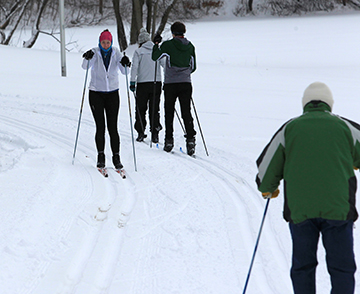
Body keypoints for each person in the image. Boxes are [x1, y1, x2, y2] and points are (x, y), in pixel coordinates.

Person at [255, 82, 360, 294]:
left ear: (305, 104)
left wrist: (268, 189)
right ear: (329, 104)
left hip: (300, 210)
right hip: (338, 209)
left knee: (303, 267)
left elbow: (266, 171)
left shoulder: (289, 129)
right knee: (342, 268)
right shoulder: (345, 127)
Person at [82, 29, 131, 170]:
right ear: (99, 42)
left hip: (112, 94)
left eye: (107, 42)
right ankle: (101, 156)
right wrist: (87, 57)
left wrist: (126, 62)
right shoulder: (95, 52)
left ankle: (116, 157)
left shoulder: (116, 53)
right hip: (96, 93)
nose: (105, 45)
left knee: (113, 127)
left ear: (111, 42)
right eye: (103, 42)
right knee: (100, 127)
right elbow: (85, 67)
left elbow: (125, 72)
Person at [152, 21, 197, 156]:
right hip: (185, 83)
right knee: (186, 112)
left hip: (171, 83)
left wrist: (156, 45)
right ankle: (190, 140)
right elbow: (193, 66)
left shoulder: (168, 45)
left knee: (169, 112)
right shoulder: (190, 46)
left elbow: (155, 57)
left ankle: (169, 140)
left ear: (172, 32)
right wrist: (184, 72)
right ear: (184, 32)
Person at [130, 28, 163, 143]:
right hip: (156, 83)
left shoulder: (138, 52)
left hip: (142, 84)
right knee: (154, 109)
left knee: (140, 108)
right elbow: (164, 64)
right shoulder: (156, 49)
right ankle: (155, 132)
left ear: (140, 42)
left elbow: (134, 67)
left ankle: (140, 131)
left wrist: (132, 82)